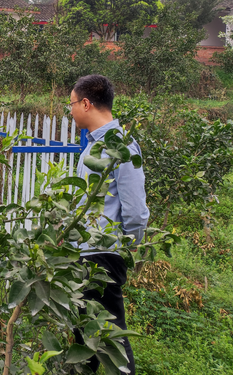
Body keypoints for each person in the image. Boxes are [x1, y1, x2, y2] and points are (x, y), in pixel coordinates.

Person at [67, 75, 149, 375]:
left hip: (102, 255)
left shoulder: (122, 147)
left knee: (110, 335)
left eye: (72, 104)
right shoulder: (93, 147)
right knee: (84, 333)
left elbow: (136, 211)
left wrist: (125, 247)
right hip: (84, 254)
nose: (71, 110)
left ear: (86, 103)